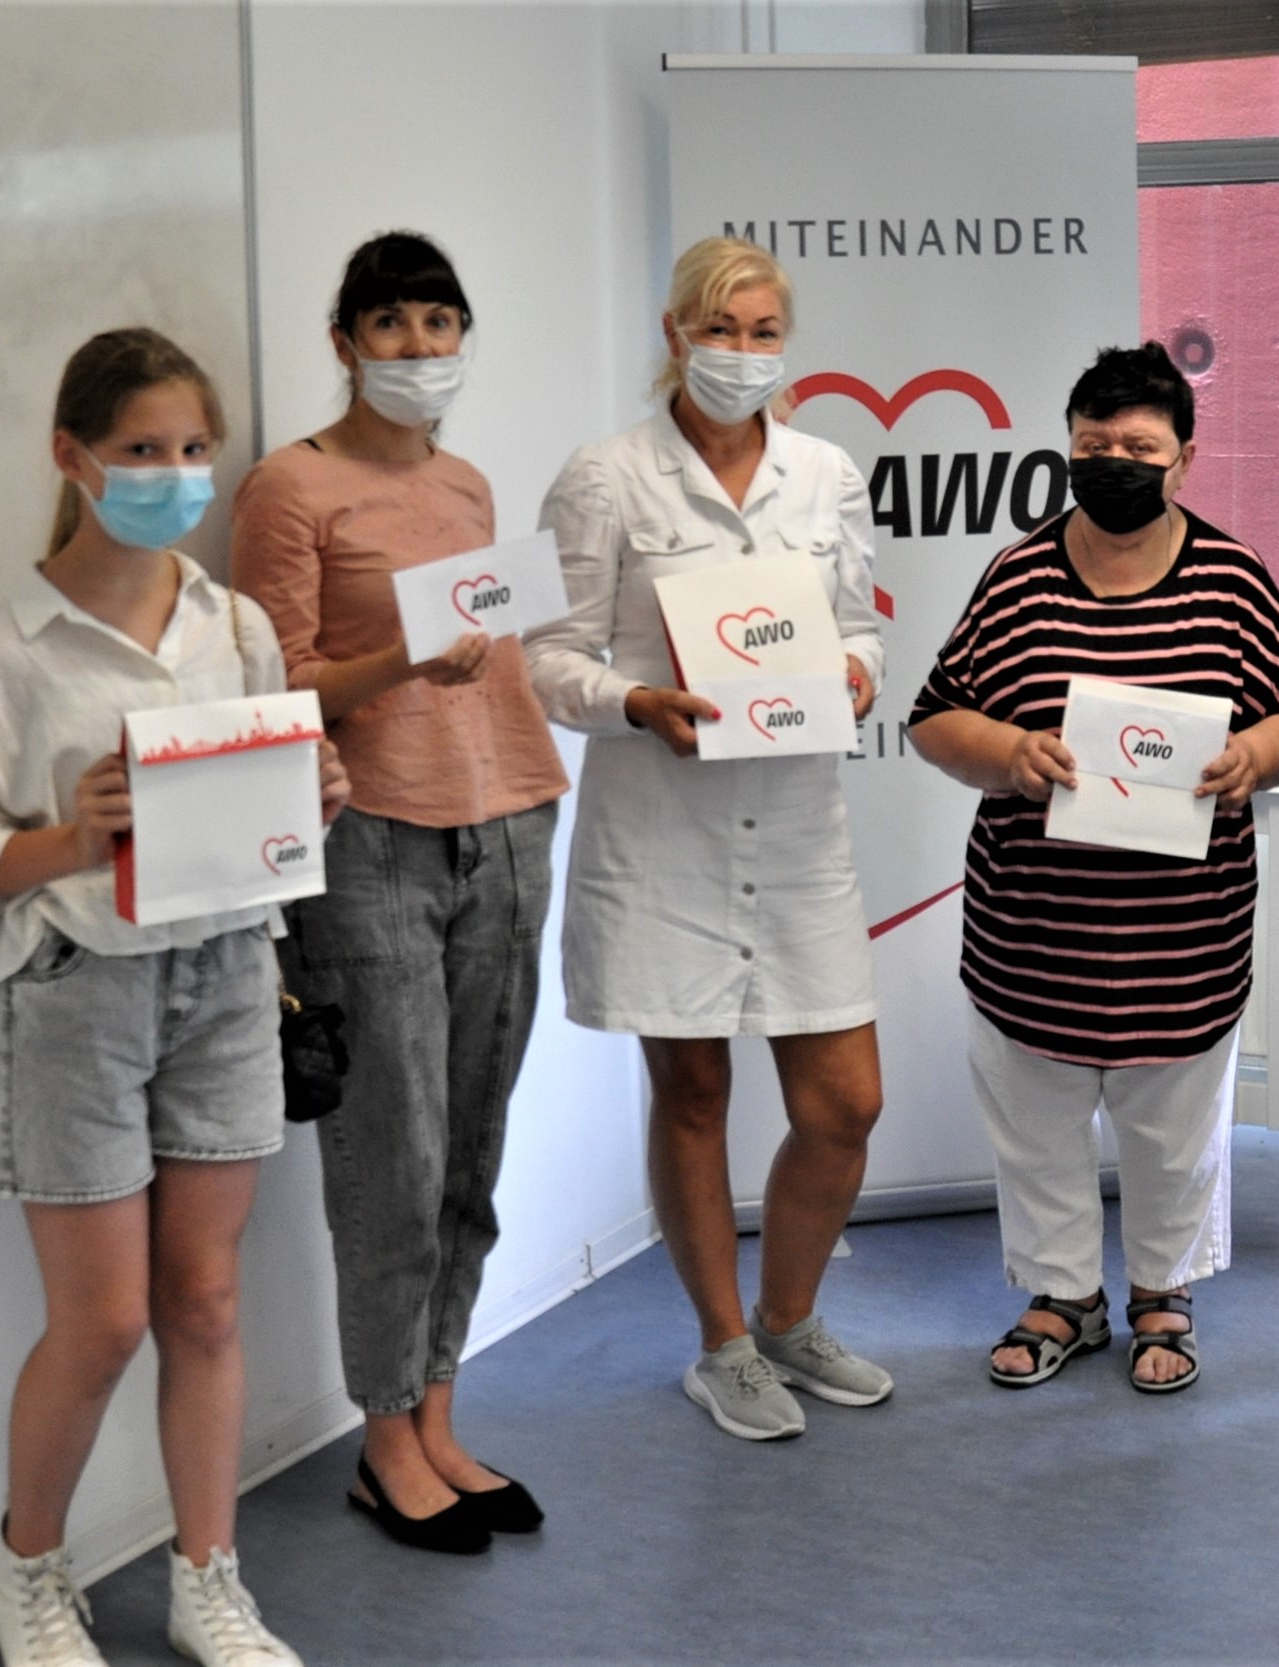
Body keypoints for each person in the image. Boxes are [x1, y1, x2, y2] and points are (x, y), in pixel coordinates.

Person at [0, 328, 345, 1666]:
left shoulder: (236, 626)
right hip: (78, 996)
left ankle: (211, 1577)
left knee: (205, 1302)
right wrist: (71, 837)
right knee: (100, 1321)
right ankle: (29, 1568)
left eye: (193, 448)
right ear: (74, 457)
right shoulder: (6, 648)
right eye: (142, 449)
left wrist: (312, 799)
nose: (173, 474)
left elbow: (267, 817)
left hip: (227, 977)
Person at [231, 233, 567, 1550]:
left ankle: (437, 1411)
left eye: (440, 322)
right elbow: (275, 683)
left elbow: (491, 644)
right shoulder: (290, 485)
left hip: (508, 819)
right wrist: (403, 659)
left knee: (473, 1139)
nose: (420, 347)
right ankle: (383, 1441)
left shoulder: (467, 482)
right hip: (368, 839)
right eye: (392, 323)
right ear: (345, 341)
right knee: (394, 1149)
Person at [523, 236, 888, 1442]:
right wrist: (635, 701)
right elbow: (547, 656)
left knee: (845, 1102)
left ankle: (789, 1318)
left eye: (763, 329)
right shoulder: (606, 477)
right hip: (663, 828)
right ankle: (722, 1344)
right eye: (720, 328)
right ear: (676, 334)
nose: (742, 351)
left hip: (795, 828)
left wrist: (856, 671)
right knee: (693, 1090)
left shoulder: (828, 471)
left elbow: (862, 628)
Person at [910, 343, 1279, 1394]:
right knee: (1037, 1127)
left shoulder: (1232, 579)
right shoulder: (1018, 576)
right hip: (1030, 935)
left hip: (1183, 941)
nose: (1115, 462)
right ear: (1067, 449)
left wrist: (1253, 755)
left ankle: (1161, 1293)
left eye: (1140, 447)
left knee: (1172, 1135)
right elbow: (935, 714)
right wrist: (1008, 752)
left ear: (1185, 457)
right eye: (1094, 444)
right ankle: (1062, 1295)